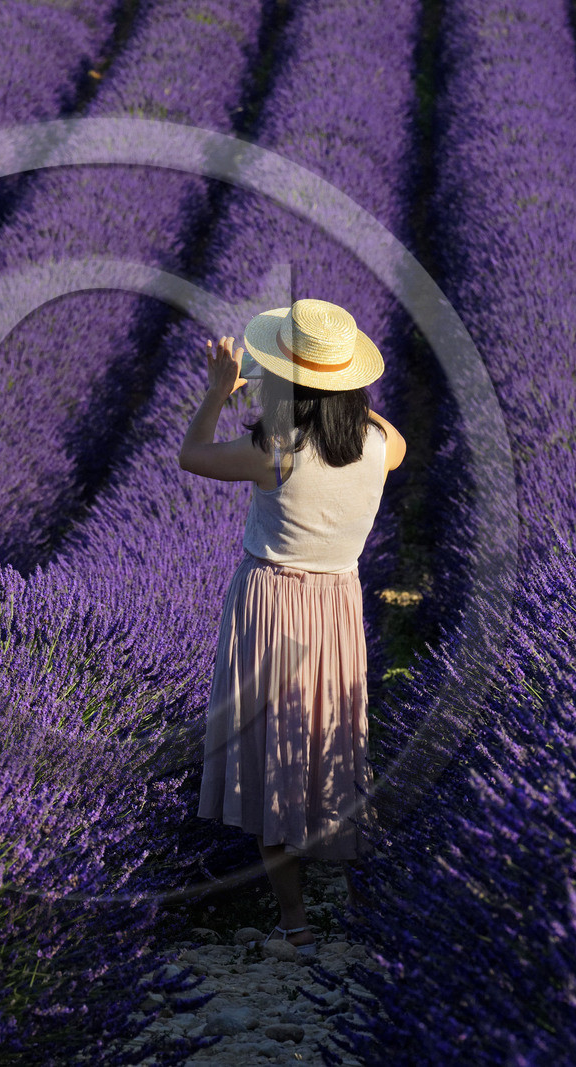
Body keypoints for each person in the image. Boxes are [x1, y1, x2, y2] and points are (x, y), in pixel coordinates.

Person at [179, 298, 406, 956]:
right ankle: (367, 915)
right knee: (334, 755)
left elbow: (191, 454)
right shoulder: (375, 444)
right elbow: (396, 439)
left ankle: (296, 928)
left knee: (273, 765)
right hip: (338, 607)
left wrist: (220, 392)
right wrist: (348, 397)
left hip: (273, 605)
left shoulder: (274, 446)